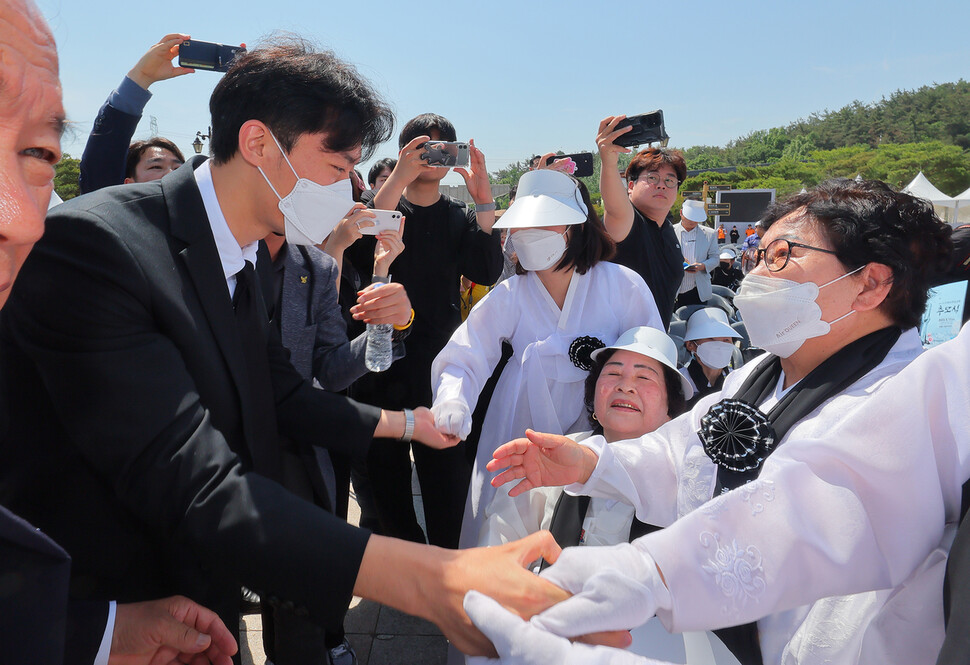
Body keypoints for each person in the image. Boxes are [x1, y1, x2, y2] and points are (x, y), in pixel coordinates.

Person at [0, 37, 568, 659]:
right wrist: (432, 579)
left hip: (193, 600)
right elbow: (190, 475)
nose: (344, 191)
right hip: (94, 607)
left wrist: (410, 424)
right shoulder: (102, 246)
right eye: (334, 168)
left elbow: (285, 392)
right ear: (259, 144)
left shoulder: (244, 260)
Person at [487, 178, 954, 664]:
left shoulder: (905, 399)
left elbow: (805, 523)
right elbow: (685, 455)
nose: (756, 273)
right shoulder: (762, 371)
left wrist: (651, 573)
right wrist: (589, 462)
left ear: (871, 282)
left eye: (781, 256)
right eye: (759, 254)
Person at [468, 320, 970, 665]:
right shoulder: (544, 460)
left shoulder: (704, 471)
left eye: (644, 377)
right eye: (612, 374)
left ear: (675, 413)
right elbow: (499, 556)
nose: (623, 386)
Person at [0, 3, 238, 663]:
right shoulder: (89, 249)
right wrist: (140, 80)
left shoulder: (212, 262)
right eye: (151, 167)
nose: (166, 174)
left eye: (175, 166)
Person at [431, 168, 663, 550]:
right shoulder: (512, 294)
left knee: (592, 523)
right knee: (507, 512)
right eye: (521, 226)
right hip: (520, 419)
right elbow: (467, 351)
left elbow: (652, 360)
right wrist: (453, 397)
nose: (528, 235)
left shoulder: (622, 285)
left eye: (544, 224)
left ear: (578, 227)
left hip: (602, 423)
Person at [258, 220, 410, 665]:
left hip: (299, 454)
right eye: (331, 167)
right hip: (215, 456)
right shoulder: (209, 256)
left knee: (300, 589)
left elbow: (330, 368)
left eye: (345, 172)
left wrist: (389, 324)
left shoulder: (316, 267)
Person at [347, 113, 502, 548]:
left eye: (442, 148)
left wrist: (484, 200)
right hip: (379, 363)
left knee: (447, 481)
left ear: (454, 157)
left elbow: (485, 268)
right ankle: (408, 567)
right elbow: (361, 253)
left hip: (440, 364)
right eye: (422, 147)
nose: (433, 154)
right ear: (403, 153)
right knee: (386, 484)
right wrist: (398, 177)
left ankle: (447, 570)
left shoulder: (457, 216)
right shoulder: (380, 209)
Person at [596, 116, 686, 327]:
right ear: (630, 186)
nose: (662, 185)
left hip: (656, 347)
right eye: (652, 178)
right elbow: (615, 207)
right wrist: (608, 162)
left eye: (670, 180)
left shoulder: (668, 229)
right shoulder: (629, 222)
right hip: (619, 348)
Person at [79, 33, 192, 194]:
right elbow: (105, 151)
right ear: (128, 184)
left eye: (178, 168)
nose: (170, 174)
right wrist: (142, 76)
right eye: (156, 166)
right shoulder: (110, 213)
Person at [680, 307, 742, 408]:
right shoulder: (678, 382)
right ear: (691, 345)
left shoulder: (738, 381)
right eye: (711, 339)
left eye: (726, 340)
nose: (720, 346)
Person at [673, 199, 721, 310]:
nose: (692, 222)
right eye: (690, 218)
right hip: (674, 288)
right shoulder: (669, 231)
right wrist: (676, 261)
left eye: (696, 219)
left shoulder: (710, 234)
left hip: (698, 289)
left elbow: (715, 258)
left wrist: (702, 266)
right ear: (681, 213)